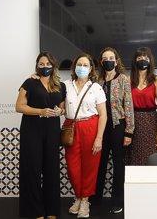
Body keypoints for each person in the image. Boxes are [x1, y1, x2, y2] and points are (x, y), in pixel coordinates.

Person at [16, 52, 66, 219]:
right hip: (32, 129)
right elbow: (19, 106)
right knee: (32, 170)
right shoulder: (30, 82)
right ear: (37, 65)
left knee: (51, 169)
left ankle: (51, 210)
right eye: (41, 64)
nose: (45, 67)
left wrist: (61, 111)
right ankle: (35, 211)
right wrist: (40, 111)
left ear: (54, 65)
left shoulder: (60, 85)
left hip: (52, 129)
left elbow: (62, 107)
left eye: (48, 64)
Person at [63, 53, 107, 218]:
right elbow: (60, 105)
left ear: (90, 69)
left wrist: (99, 137)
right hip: (71, 127)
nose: (82, 67)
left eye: (85, 65)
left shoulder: (96, 88)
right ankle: (78, 196)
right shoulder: (65, 85)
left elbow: (103, 115)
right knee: (73, 167)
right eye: (79, 64)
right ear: (74, 67)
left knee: (90, 167)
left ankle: (84, 201)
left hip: (91, 127)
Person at [94, 47, 134, 214]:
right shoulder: (98, 80)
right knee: (100, 164)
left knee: (118, 165)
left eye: (111, 57)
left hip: (119, 127)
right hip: (101, 128)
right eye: (105, 58)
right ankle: (95, 199)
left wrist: (129, 131)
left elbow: (128, 105)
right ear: (101, 62)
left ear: (116, 60)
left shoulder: (123, 79)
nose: (109, 60)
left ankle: (117, 200)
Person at [126, 47, 157, 165]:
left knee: (151, 154)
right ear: (135, 60)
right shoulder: (129, 79)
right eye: (139, 58)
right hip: (133, 121)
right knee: (133, 155)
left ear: (150, 60)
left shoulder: (156, 80)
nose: (143, 60)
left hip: (151, 120)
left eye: (146, 58)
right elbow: (125, 104)